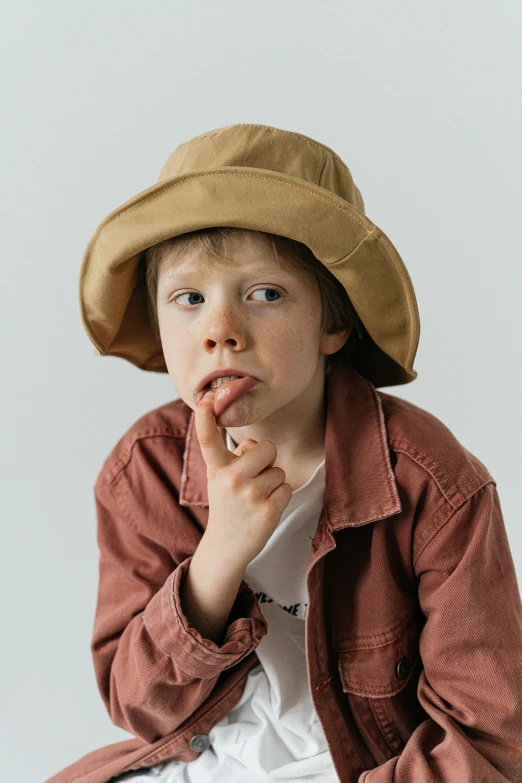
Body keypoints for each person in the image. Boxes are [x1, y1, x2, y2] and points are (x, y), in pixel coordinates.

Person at [45, 124, 522, 783]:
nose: (220, 333)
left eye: (264, 294)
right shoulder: (144, 468)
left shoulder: (433, 481)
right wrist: (217, 558)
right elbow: (140, 708)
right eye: (189, 299)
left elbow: (490, 735)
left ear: (334, 323)